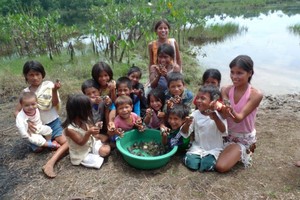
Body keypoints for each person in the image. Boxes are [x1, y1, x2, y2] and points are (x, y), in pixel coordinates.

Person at [13, 60, 68, 178]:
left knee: (66, 143)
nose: (35, 78)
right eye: (31, 75)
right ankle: (48, 143)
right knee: (37, 149)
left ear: (42, 74)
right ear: (26, 76)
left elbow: (54, 103)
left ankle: (50, 163)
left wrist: (54, 90)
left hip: (53, 122)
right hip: (36, 127)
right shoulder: (26, 93)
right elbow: (16, 111)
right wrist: (26, 122)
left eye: (37, 74)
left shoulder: (48, 86)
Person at [215, 55, 263, 173]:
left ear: (250, 73)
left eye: (239, 73)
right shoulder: (225, 90)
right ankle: (234, 152)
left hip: (242, 137)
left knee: (220, 167)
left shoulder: (255, 95)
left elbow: (239, 118)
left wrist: (229, 110)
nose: (234, 77)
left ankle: (247, 149)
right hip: (224, 133)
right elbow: (223, 114)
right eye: (232, 72)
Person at [180, 85, 228, 172]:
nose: (198, 101)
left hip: (214, 149)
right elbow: (184, 133)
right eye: (197, 98)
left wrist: (215, 118)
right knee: (192, 164)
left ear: (213, 101)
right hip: (198, 147)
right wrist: (186, 124)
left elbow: (223, 131)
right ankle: (193, 157)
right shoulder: (195, 114)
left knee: (206, 165)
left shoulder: (219, 114)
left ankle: (208, 159)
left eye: (202, 98)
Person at [63, 94, 111, 169]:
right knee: (100, 159)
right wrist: (88, 133)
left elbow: (91, 127)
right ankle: (94, 154)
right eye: (88, 109)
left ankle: (98, 150)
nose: (90, 110)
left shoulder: (84, 119)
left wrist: (96, 126)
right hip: (81, 153)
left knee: (106, 150)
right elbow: (81, 142)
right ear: (79, 111)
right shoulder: (69, 129)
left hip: (90, 144)